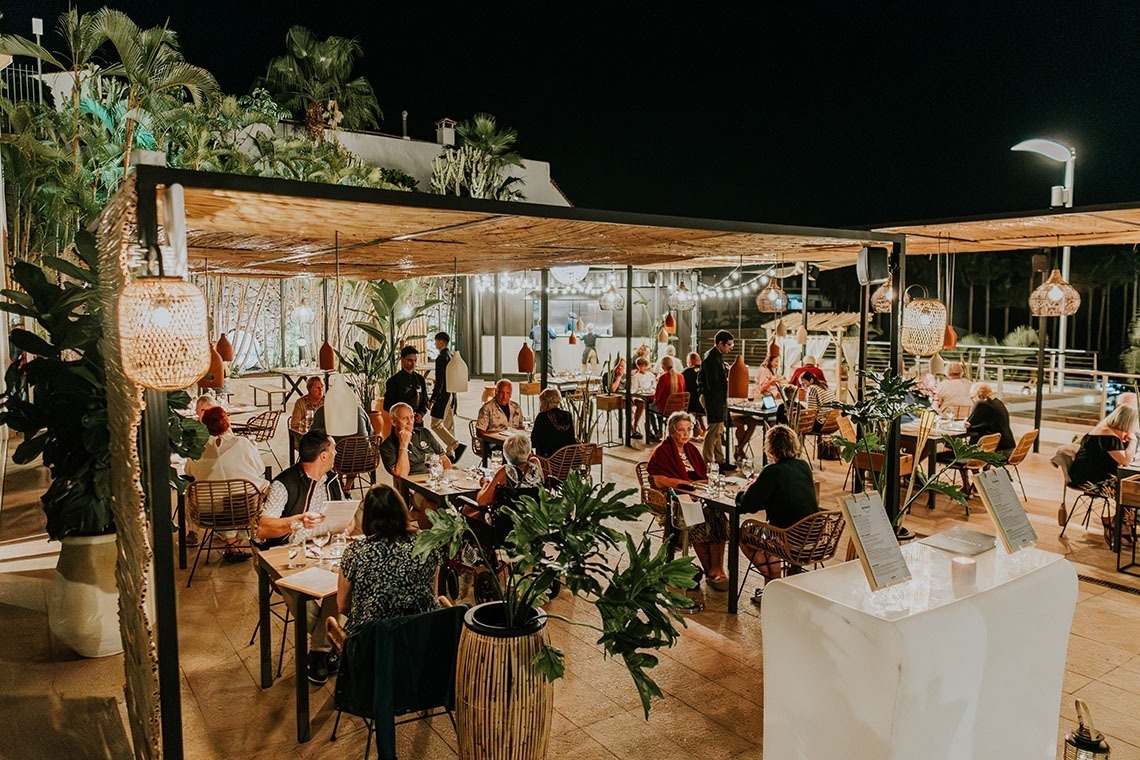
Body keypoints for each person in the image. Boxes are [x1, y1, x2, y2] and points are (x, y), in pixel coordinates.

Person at [257, 431, 344, 684]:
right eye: (334, 450)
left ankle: (319, 651)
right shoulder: (284, 484)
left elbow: (342, 517)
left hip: (323, 550)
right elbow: (263, 528)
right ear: (324, 454)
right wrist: (295, 523)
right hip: (285, 555)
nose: (336, 454)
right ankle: (326, 646)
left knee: (340, 584)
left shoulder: (332, 481)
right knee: (307, 599)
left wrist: (345, 525)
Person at [336, 484, 441, 635]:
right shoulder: (426, 544)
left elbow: (342, 606)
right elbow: (433, 592)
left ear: (368, 516)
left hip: (373, 643)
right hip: (421, 636)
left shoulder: (355, 552)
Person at [646, 412, 729, 591]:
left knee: (717, 514)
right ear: (671, 431)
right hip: (675, 497)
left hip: (697, 492)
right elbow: (659, 480)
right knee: (697, 518)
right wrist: (684, 484)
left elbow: (702, 475)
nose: (686, 434)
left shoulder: (691, 449)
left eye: (689, 429)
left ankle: (718, 567)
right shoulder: (663, 450)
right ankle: (710, 570)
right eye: (681, 430)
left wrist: (702, 485)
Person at [737, 424, 819, 602]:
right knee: (770, 532)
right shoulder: (803, 465)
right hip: (813, 536)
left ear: (770, 448)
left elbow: (748, 505)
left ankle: (775, 584)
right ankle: (773, 586)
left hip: (788, 538)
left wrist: (743, 492)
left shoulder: (772, 471)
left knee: (744, 535)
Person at [186, 407, 269, 561]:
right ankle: (238, 541)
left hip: (208, 513)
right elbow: (260, 469)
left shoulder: (197, 449)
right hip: (245, 510)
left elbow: (188, 471)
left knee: (212, 496)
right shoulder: (242, 443)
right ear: (227, 422)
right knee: (260, 490)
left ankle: (231, 541)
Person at [380, 402, 454, 529]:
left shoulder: (424, 433)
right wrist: (403, 445)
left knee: (463, 501)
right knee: (433, 503)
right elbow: (401, 475)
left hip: (437, 483)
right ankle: (431, 539)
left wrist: (444, 480)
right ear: (393, 422)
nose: (410, 422)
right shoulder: (387, 446)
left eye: (412, 417)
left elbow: (446, 462)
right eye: (405, 418)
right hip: (415, 490)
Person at [466, 433, 544, 548]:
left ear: (506, 454)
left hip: (507, 530)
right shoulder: (535, 464)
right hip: (533, 527)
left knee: (466, 509)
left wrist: (485, 485)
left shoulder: (506, 471)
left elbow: (482, 501)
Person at [1069, 404, 1140, 489]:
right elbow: (1125, 461)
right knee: (1132, 482)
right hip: (1091, 480)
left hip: (1080, 474)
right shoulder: (1109, 437)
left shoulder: (1104, 429)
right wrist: (1133, 440)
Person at [699, 330, 735, 472]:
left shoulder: (716, 356)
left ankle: (720, 460)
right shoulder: (711, 359)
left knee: (718, 431)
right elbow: (713, 384)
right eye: (729, 345)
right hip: (712, 397)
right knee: (714, 430)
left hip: (715, 397)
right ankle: (706, 462)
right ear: (720, 343)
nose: (730, 348)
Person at [429, 332, 466, 463]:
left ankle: (454, 444)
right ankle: (451, 452)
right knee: (449, 424)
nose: (435, 344)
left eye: (436, 341)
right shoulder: (451, 356)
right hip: (452, 393)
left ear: (441, 342)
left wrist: (433, 398)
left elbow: (440, 382)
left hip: (444, 395)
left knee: (435, 423)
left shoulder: (441, 358)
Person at [964, 382, 1015, 452]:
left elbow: (968, 425)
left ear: (979, 396)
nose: (973, 401)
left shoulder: (981, 404)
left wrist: (967, 423)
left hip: (995, 450)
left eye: (972, 397)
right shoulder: (998, 403)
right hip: (1007, 446)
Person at [383, 345, 428, 423]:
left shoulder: (420, 379)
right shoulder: (393, 381)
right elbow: (387, 405)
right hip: (400, 423)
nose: (413, 363)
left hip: (417, 422)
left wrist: (420, 414)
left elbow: (424, 401)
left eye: (415, 360)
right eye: (410, 360)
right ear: (402, 360)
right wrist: (404, 415)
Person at [647, 355, 685, 442]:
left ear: (663, 367)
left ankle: (657, 432)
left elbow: (657, 398)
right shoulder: (681, 376)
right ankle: (660, 431)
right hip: (679, 408)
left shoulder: (663, 377)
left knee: (649, 407)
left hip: (665, 409)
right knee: (658, 407)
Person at [531, 387, 576, 457]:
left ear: (544, 402)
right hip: (567, 460)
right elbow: (571, 439)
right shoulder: (568, 415)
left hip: (548, 461)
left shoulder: (542, 416)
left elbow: (534, 441)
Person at [629, 357, 656, 440]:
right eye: (640, 366)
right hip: (640, 396)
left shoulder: (650, 375)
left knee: (652, 404)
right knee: (642, 404)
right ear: (638, 366)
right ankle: (636, 425)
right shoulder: (636, 377)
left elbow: (654, 385)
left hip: (650, 395)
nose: (642, 368)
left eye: (644, 366)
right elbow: (634, 389)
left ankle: (652, 429)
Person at [681, 352, 706, 437]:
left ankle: (697, 428)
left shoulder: (685, 372)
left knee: (693, 412)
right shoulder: (707, 370)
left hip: (690, 404)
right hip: (705, 404)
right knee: (698, 413)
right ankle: (701, 429)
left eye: (688, 362)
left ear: (691, 361)